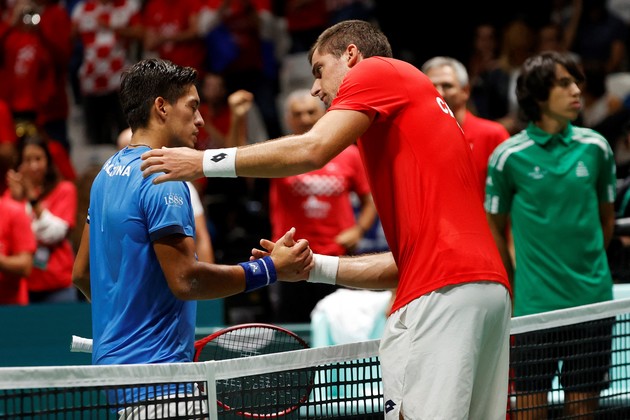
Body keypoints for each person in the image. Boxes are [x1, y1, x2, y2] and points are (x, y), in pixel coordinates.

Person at [140, 20, 512, 419]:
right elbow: (404, 266)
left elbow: (312, 149)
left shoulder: (376, 70)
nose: (316, 88)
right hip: (488, 293)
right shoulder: (414, 117)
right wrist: (312, 267)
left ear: (351, 54)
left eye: (319, 70)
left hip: (442, 297)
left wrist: (203, 161)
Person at [71, 58, 312, 417]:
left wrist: (129, 324)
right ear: (162, 107)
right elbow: (186, 279)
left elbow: (81, 274)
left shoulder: (105, 174)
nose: (200, 120)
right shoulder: (164, 176)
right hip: (162, 382)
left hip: (117, 377)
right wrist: (269, 269)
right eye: (193, 107)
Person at [485, 51, 616, 418]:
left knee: (582, 411)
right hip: (534, 309)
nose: (577, 90)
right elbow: (494, 226)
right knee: (530, 410)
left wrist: (586, 266)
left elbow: (605, 219)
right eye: (564, 83)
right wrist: (514, 282)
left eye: (576, 82)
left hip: (592, 304)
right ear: (539, 95)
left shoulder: (596, 148)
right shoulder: (508, 157)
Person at [269, 88, 377, 322]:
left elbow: (371, 199)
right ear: (288, 119)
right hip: (291, 258)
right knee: (294, 330)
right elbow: (242, 170)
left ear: (324, 114)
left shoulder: (348, 153)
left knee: (341, 327)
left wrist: (359, 230)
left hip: (337, 258)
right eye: (297, 114)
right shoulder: (277, 152)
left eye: (310, 112)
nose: (305, 119)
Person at [116, 127, 215, 263]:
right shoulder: (112, 186)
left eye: (140, 153)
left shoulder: (178, 185)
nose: (133, 160)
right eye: (127, 152)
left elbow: (201, 237)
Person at [421, 56, 510, 196]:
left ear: (466, 90)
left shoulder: (492, 135)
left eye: (447, 86)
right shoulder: (416, 138)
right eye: (432, 86)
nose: (439, 92)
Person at [6, 132, 78, 303]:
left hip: (58, 284)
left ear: (48, 161)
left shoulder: (65, 190)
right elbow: (10, 237)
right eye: (27, 160)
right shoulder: (11, 196)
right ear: (19, 164)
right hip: (23, 285)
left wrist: (31, 197)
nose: (33, 166)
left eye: (38, 159)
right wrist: (17, 199)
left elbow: (55, 234)